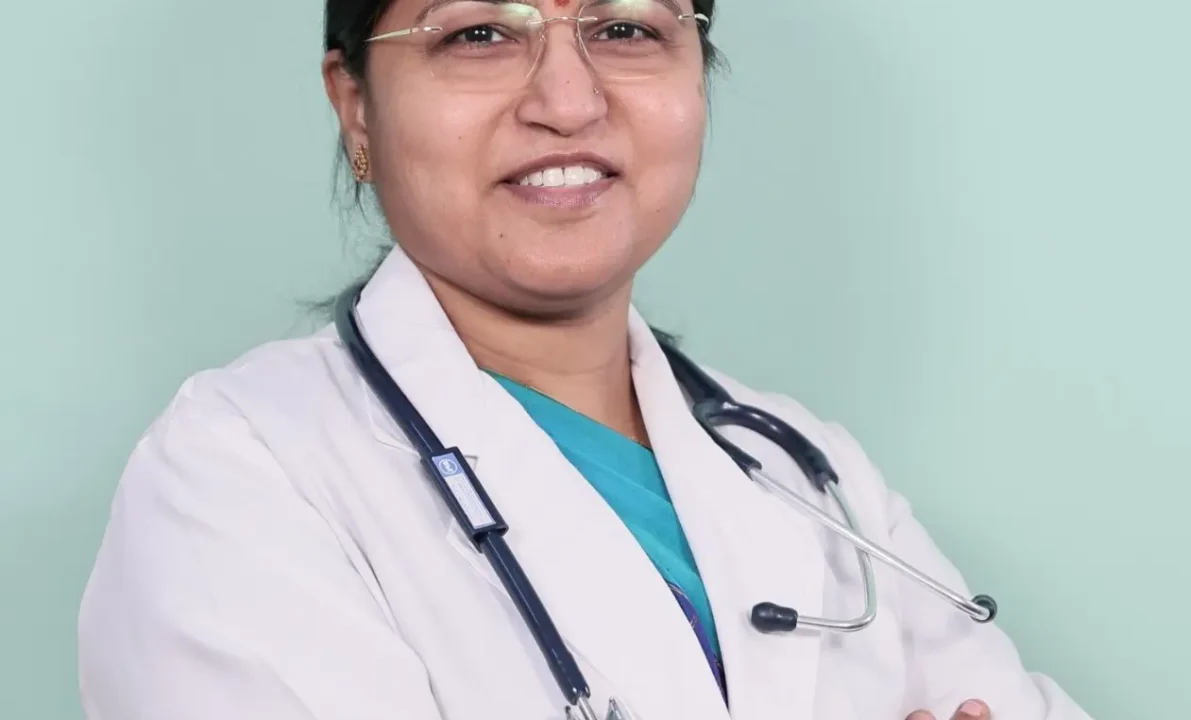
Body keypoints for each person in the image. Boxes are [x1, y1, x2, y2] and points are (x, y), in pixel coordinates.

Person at [77, 0, 1094, 718]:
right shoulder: (240, 473)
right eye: (478, 32)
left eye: (626, 28)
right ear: (356, 106)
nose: (568, 100)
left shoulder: (807, 471)